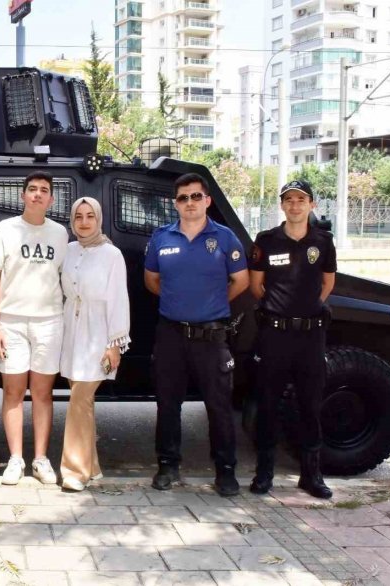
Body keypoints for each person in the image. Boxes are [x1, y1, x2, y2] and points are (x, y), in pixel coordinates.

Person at [143, 172, 249, 497]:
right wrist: (180, 302)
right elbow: (152, 280)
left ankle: (226, 471)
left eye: (195, 196)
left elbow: (241, 281)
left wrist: (211, 304)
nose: (189, 203)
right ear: (175, 203)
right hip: (171, 335)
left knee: (218, 406)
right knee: (167, 403)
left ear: (207, 200)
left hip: (211, 337)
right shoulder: (162, 238)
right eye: (183, 198)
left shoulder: (226, 238)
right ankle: (167, 465)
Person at [248, 180, 336, 499]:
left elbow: (327, 282)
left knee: (310, 405)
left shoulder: (323, 241)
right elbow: (257, 286)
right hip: (275, 335)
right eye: (289, 200)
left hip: (311, 336)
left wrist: (308, 308)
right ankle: (264, 473)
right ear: (282, 206)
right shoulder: (267, 240)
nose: (295, 205)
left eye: (301, 200)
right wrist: (280, 310)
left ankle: (311, 475)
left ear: (312, 205)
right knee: (268, 404)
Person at [0, 171, 68, 485]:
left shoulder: (60, 234)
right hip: (12, 323)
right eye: (31, 189)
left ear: (51, 199)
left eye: (43, 190)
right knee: (13, 393)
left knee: (43, 394)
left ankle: (41, 460)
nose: (37, 194)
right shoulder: (5, 230)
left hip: (49, 323)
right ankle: (16, 459)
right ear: (23, 195)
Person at [59, 197, 130, 492]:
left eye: (90, 216)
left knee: (80, 400)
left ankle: (74, 470)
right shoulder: (69, 250)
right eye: (79, 217)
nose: (84, 222)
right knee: (82, 402)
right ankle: (93, 466)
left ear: (98, 219)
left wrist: (115, 343)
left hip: (99, 336)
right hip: (72, 332)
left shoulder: (112, 255)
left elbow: (118, 300)